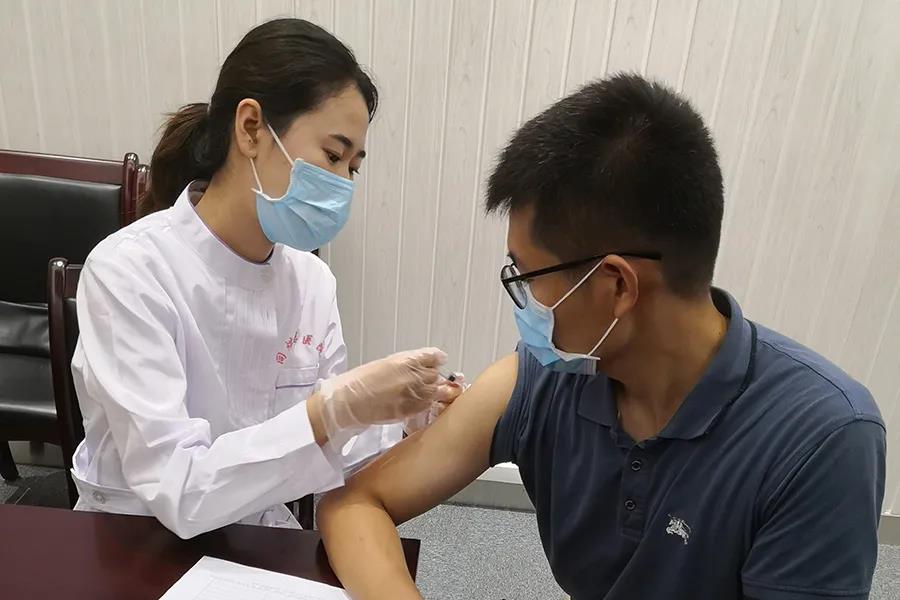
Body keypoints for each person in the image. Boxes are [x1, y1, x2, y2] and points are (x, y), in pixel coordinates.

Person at [318, 74, 886, 599]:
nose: (525, 299)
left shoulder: (820, 439)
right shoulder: (540, 383)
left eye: (527, 275)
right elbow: (355, 504)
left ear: (616, 285)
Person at [70, 19, 458, 539]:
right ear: (251, 128)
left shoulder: (312, 283)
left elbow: (327, 449)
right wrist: (330, 411)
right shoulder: (130, 272)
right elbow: (178, 490)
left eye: (353, 167)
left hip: (255, 533)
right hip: (137, 538)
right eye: (333, 155)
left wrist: (402, 420)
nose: (343, 185)